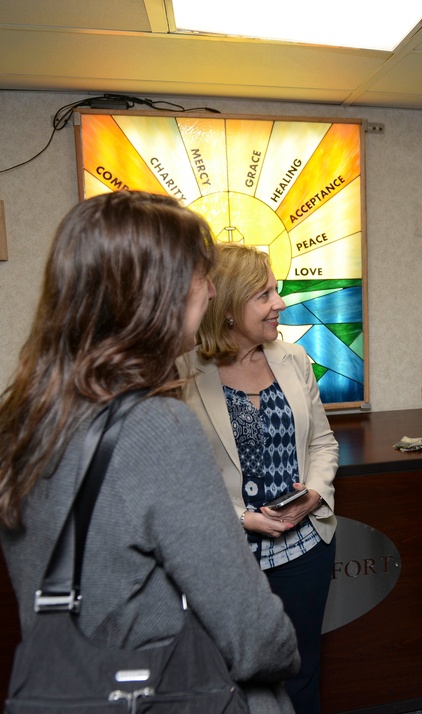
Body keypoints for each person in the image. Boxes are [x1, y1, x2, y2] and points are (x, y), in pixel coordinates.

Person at [0, 191, 299, 712]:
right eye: (200, 275)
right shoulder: (155, 427)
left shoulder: (22, 416)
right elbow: (250, 632)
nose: (210, 290)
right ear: (156, 293)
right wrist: (285, 652)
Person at [177, 242, 338, 714]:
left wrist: (313, 494)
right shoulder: (181, 372)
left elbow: (322, 444)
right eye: (264, 295)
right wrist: (240, 519)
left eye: (276, 291)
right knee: (227, 678)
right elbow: (178, 477)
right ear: (226, 307)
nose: (280, 304)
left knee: (301, 667)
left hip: (304, 550)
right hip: (224, 555)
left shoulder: (294, 359)